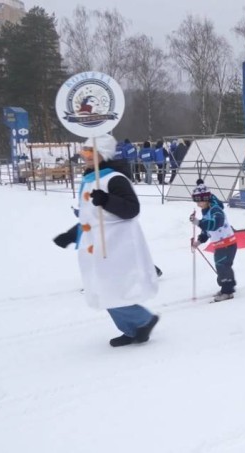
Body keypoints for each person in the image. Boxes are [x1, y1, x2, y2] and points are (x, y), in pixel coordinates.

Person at [52, 134, 159, 347]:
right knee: (102, 288)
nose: (87, 156)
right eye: (85, 152)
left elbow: (131, 209)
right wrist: (71, 234)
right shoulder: (90, 178)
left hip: (117, 244)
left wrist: (107, 200)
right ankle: (133, 329)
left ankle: (143, 320)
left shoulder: (114, 178)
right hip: (95, 244)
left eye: (91, 152)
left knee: (110, 288)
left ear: (104, 153)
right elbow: (90, 217)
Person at [190, 179, 237, 302]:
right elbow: (207, 230)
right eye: (195, 200)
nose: (197, 204)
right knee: (223, 265)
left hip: (227, 244)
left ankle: (227, 291)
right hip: (221, 244)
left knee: (222, 265)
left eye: (199, 200)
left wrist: (199, 222)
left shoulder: (215, 209)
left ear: (205, 198)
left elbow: (216, 223)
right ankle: (227, 287)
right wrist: (199, 241)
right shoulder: (206, 211)